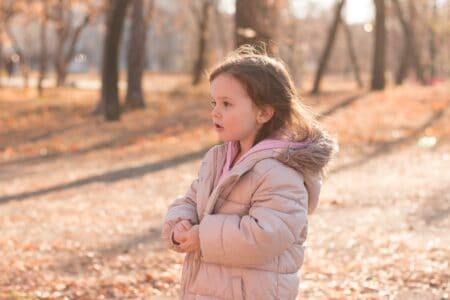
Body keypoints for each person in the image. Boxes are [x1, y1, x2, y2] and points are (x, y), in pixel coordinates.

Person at [161, 45, 338, 300]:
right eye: (214, 102)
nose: (215, 111)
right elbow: (191, 199)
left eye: (227, 104)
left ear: (264, 112)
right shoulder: (218, 158)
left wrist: (203, 236)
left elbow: (264, 236)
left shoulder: (281, 171)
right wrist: (180, 224)